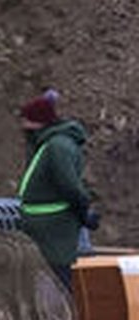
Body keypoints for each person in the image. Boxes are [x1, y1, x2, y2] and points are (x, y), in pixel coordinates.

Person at [17, 90, 97, 294]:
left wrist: (84, 210)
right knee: (48, 285)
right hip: (46, 232)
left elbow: (69, 186)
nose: (22, 127)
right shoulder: (47, 143)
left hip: (53, 233)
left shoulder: (57, 147)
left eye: (26, 121)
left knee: (57, 286)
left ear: (38, 123)